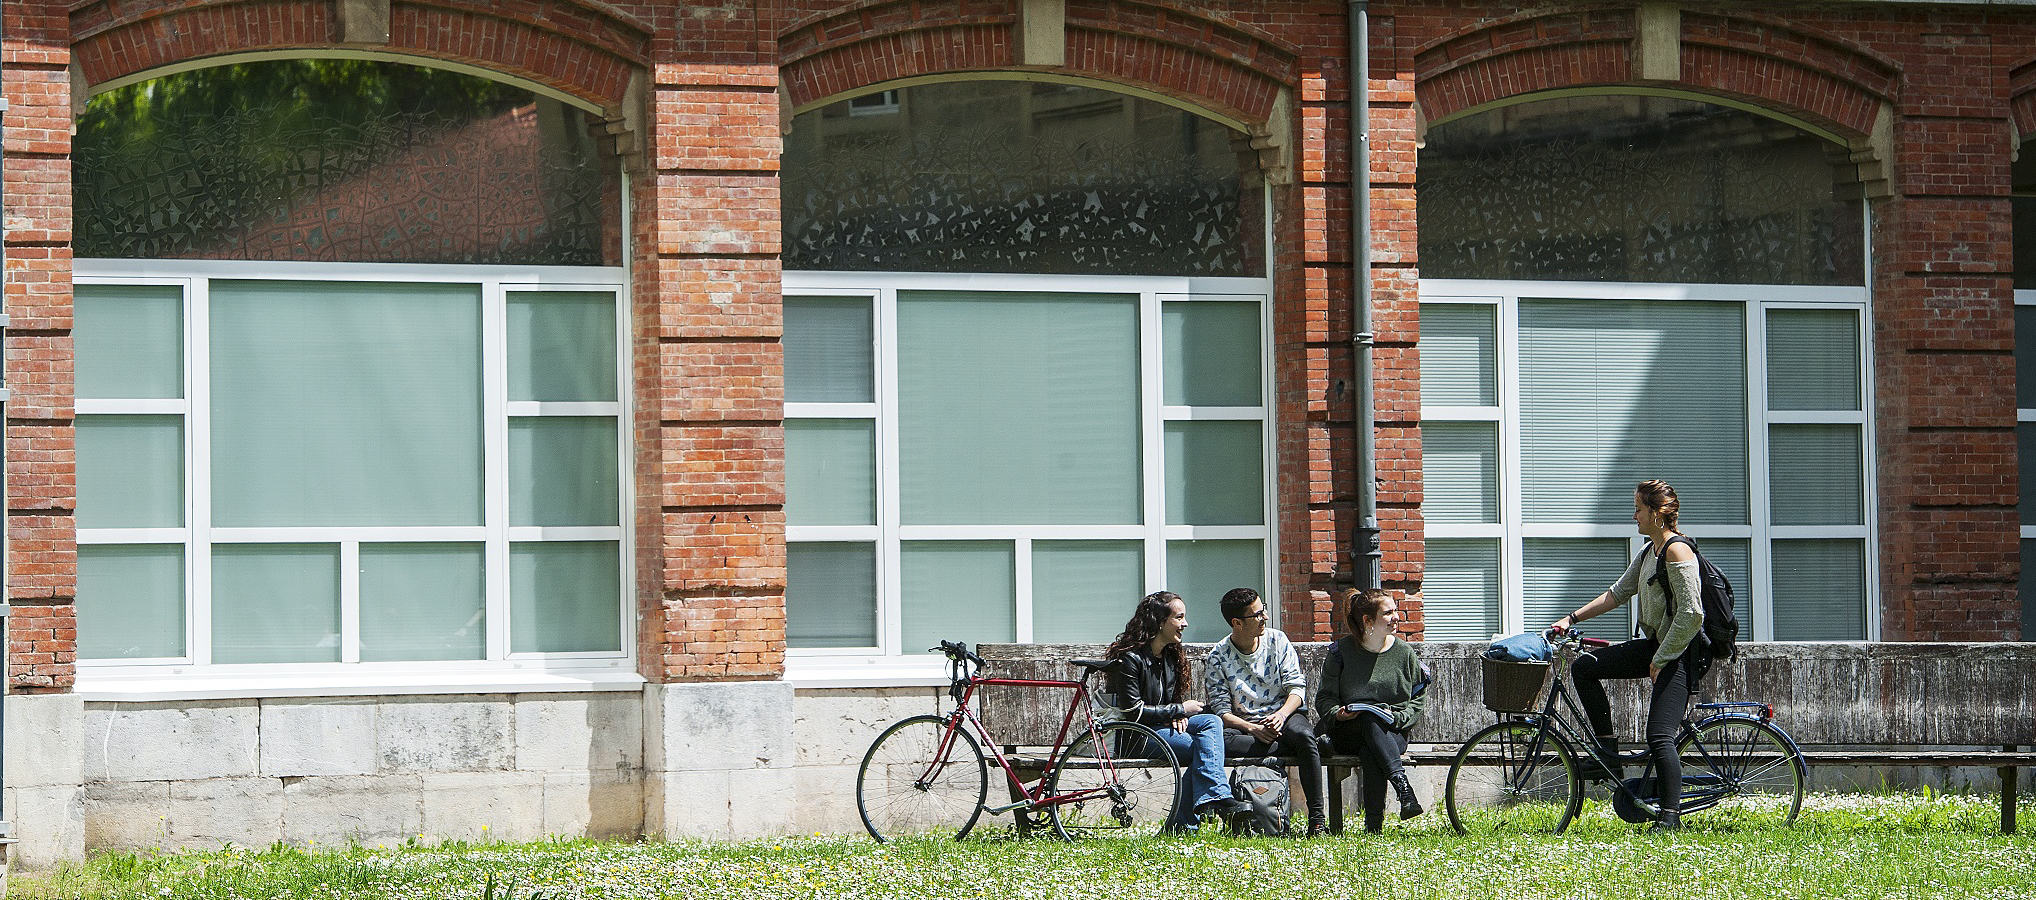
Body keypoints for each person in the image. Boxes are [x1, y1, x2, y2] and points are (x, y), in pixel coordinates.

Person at [1549, 479, 1707, 832]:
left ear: (1656, 513)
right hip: (1657, 646)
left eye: (1638, 509)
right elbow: (1617, 593)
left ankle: (1670, 817)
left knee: (1660, 735)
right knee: (1585, 667)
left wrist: (1662, 658)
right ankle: (1608, 754)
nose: (1634, 516)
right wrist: (1570, 619)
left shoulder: (1677, 552)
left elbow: (1692, 614)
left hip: (1682, 652)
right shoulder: (1650, 552)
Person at [1103, 591, 1251, 832]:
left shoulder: (1170, 656)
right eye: (1179, 617)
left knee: (1211, 722)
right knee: (1204, 750)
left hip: (1162, 728)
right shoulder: (1130, 659)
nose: (1185, 624)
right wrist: (1179, 709)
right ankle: (1196, 814)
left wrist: (1179, 714)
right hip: (1137, 735)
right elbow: (1132, 712)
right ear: (1160, 621)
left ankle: (1205, 805)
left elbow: (1170, 702)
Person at [1202, 587, 1329, 836]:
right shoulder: (1219, 655)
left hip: (1284, 717)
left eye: (1264, 610)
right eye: (1257, 614)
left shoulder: (1277, 640)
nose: (1265, 617)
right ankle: (1297, 747)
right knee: (1220, 741)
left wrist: (1281, 715)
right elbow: (1221, 710)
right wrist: (1253, 728)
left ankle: (1317, 820)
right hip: (1245, 728)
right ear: (1237, 623)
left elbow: (1297, 689)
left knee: (1303, 737)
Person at [1315, 587, 1428, 832]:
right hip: (1349, 732)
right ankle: (1403, 789)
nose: (1396, 617)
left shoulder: (1404, 653)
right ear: (1368, 621)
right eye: (1388, 613)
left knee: (1371, 749)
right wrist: (1337, 713)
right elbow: (1324, 698)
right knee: (1368, 720)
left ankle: (1374, 827)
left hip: (1392, 731)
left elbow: (1418, 697)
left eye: (1395, 611)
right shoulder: (1341, 652)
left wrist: (1399, 717)